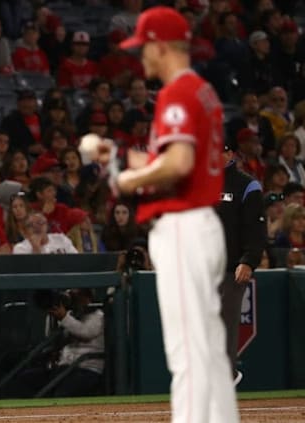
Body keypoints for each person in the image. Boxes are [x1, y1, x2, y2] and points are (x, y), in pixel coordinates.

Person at [113, 7, 239, 422]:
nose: (141, 56)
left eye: (143, 47)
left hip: (184, 226)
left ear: (160, 45)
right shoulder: (202, 90)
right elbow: (168, 159)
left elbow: (179, 163)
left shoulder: (178, 92)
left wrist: (128, 182)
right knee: (210, 349)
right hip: (202, 224)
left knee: (187, 351)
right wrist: (117, 158)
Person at [216, 142, 267, 386]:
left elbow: (256, 229)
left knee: (225, 321)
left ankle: (225, 376)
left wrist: (249, 260)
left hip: (231, 267)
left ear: (229, 154)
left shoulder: (246, 184)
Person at [13, 212, 78, 255]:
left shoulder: (61, 239)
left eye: (40, 222)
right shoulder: (20, 249)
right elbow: (29, 273)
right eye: (31, 225)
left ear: (46, 225)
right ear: (25, 231)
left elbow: (76, 261)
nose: (36, 227)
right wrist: (36, 249)